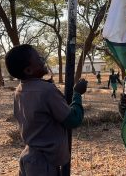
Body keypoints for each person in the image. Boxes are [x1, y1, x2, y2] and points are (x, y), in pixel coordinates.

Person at [5, 44, 88, 176]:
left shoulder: (19, 90)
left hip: (28, 158)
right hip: (44, 164)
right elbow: (73, 120)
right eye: (38, 59)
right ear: (28, 70)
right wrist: (77, 94)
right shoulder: (46, 91)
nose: (42, 61)